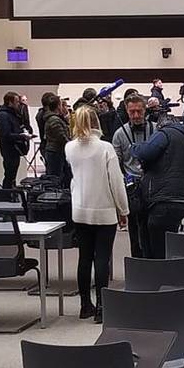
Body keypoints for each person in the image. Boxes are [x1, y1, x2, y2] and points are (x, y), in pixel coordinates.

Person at [64, 105, 128, 320]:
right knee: (102, 258)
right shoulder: (105, 148)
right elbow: (116, 182)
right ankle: (102, 307)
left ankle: (85, 305)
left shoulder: (69, 148)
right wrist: (123, 209)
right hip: (104, 210)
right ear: (96, 122)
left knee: (84, 258)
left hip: (80, 210)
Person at [132, 107, 184, 258]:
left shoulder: (165, 133)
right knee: (168, 240)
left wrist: (134, 148)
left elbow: (146, 152)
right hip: (183, 199)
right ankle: (168, 274)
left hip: (163, 199)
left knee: (157, 248)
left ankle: (158, 277)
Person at [112, 92, 157, 256]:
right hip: (131, 188)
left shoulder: (155, 129)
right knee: (135, 230)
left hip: (153, 185)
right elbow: (115, 164)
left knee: (152, 227)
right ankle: (137, 264)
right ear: (126, 111)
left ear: (145, 110)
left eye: (139, 111)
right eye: (132, 112)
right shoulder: (119, 134)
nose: (136, 115)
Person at [0, 91, 30, 189]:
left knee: (13, 174)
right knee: (9, 174)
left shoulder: (13, 114)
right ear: (10, 102)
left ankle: (11, 192)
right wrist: (21, 136)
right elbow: (6, 135)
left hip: (15, 149)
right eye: (17, 102)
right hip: (9, 149)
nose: (19, 104)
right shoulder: (3, 116)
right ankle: (7, 193)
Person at [42, 97, 70, 183]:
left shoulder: (54, 118)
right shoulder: (54, 120)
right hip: (55, 152)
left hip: (55, 151)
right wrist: (71, 145)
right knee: (56, 178)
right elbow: (61, 137)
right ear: (58, 106)